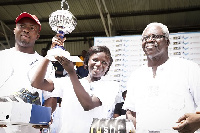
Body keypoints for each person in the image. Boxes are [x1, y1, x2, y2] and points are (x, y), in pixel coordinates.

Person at [123, 22, 200, 133]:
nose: (149, 40)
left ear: (167, 42)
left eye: (156, 36)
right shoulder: (136, 76)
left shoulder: (189, 68)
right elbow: (131, 113)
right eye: (145, 38)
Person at [31, 44, 119, 133]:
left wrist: (72, 72)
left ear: (108, 68)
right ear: (86, 62)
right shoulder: (67, 82)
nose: (99, 64)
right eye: (95, 60)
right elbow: (37, 83)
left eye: (104, 62)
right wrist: (48, 56)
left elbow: (88, 105)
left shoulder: (111, 86)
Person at [0, 12, 57, 133]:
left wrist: (45, 117)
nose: (26, 30)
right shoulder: (1, 57)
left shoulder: (46, 64)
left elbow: (50, 98)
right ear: (15, 30)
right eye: (22, 26)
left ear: (37, 36)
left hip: (30, 128)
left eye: (32, 28)